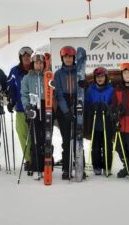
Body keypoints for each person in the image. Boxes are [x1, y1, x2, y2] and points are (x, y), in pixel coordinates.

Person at [54, 45, 86, 180]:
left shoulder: (78, 71)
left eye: (70, 57)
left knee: (78, 139)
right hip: (64, 108)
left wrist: (86, 86)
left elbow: (84, 91)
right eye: (65, 57)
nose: (68, 59)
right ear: (62, 58)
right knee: (67, 140)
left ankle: (80, 167)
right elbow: (58, 94)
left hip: (77, 105)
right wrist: (66, 111)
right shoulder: (58, 73)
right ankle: (66, 169)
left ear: (74, 58)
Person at [7, 46, 33, 174]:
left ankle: (36, 157)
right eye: (24, 57)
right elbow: (10, 85)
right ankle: (28, 159)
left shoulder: (36, 69)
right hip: (21, 108)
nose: (27, 58)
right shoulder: (15, 71)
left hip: (36, 108)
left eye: (28, 56)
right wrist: (11, 99)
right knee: (22, 134)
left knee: (35, 134)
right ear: (21, 58)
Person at [21, 52, 47, 180]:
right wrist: (27, 108)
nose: (38, 65)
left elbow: (53, 91)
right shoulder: (27, 77)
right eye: (36, 63)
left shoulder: (47, 76)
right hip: (33, 108)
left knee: (45, 138)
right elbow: (24, 94)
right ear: (33, 64)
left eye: (41, 63)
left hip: (45, 107)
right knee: (35, 138)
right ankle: (36, 166)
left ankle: (46, 165)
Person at [84, 67, 114, 176]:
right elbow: (86, 104)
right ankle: (96, 166)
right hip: (95, 120)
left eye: (102, 76)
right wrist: (92, 106)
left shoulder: (111, 89)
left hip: (107, 120)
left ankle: (107, 166)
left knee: (107, 145)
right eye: (97, 77)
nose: (100, 79)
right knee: (95, 146)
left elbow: (114, 102)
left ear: (106, 77)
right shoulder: (90, 90)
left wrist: (109, 107)